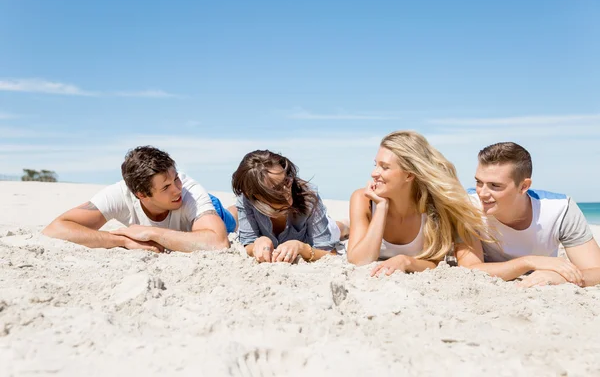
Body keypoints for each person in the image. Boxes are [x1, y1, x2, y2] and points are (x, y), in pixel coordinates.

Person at [347, 130, 490, 276]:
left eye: (385, 167)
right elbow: (359, 261)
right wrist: (382, 208)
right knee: (344, 228)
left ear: (409, 175)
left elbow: (433, 263)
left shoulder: (432, 208)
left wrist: (405, 261)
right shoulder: (363, 199)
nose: (374, 173)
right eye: (375, 164)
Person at [456, 142, 600, 287]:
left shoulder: (561, 209)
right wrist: (529, 262)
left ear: (524, 186)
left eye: (495, 186)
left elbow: (596, 271)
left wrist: (561, 278)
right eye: (479, 182)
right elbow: (469, 268)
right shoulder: (467, 206)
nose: (482, 193)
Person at [42, 146, 233, 253]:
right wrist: (121, 240)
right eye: (166, 187)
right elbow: (55, 229)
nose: (177, 190)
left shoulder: (189, 191)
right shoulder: (119, 194)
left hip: (207, 210)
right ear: (141, 194)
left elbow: (218, 242)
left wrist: (152, 233)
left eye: (176, 178)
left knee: (232, 218)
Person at [231, 150, 346, 263]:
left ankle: (346, 226)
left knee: (336, 229)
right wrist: (257, 243)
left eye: (286, 181)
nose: (286, 191)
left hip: (320, 230)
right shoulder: (246, 200)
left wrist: (302, 248)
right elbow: (247, 243)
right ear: (256, 196)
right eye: (275, 189)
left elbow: (329, 252)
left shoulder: (309, 196)